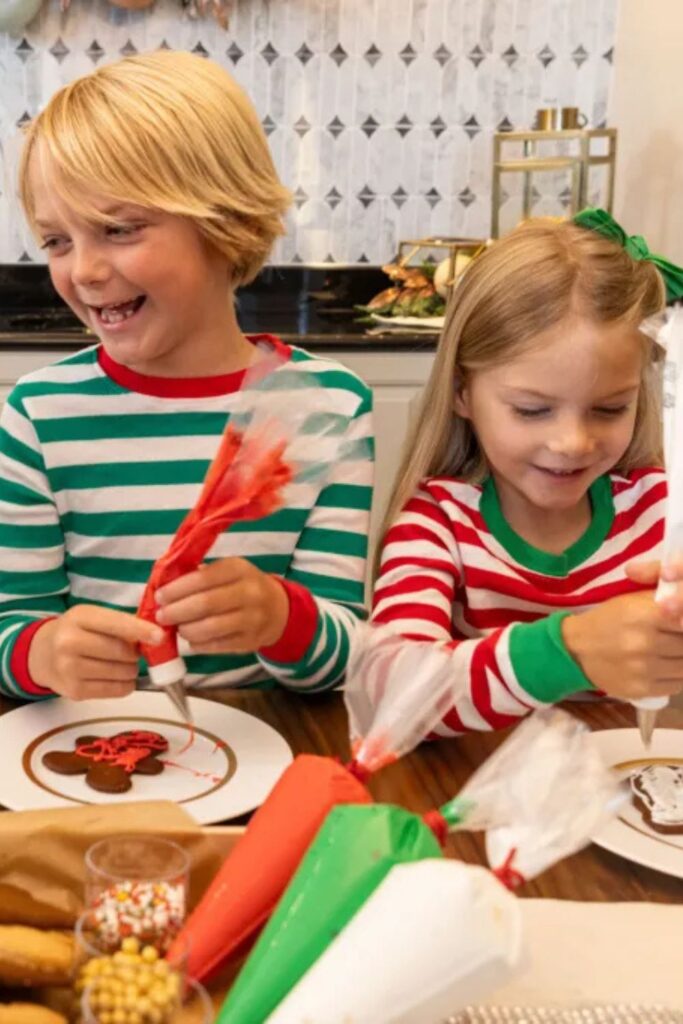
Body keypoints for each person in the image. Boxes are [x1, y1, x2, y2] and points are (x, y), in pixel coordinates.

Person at [0, 51, 373, 701]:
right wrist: (44, 654)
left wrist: (281, 620)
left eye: (116, 228)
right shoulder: (37, 415)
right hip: (88, 756)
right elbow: (10, 630)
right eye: (56, 241)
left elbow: (345, 659)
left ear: (224, 223)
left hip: (265, 748)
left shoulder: (323, 408)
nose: (83, 271)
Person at [372, 213, 683, 734]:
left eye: (609, 410)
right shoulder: (436, 524)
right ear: (462, 392)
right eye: (532, 410)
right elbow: (397, 698)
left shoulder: (660, 511)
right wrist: (571, 649)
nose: (572, 443)